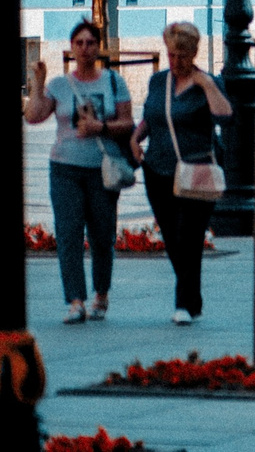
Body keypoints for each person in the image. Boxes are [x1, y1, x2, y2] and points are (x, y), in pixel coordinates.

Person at [25, 17, 134, 322]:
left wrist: (101, 127)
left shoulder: (113, 82)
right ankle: (75, 301)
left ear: (99, 47)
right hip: (64, 169)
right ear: (72, 48)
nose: (85, 48)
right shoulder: (60, 85)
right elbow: (33, 116)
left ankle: (101, 295)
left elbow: (128, 123)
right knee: (68, 234)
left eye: (91, 43)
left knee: (102, 235)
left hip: (102, 170)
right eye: (79, 43)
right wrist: (38, 83)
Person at [139, 20, 231, 326]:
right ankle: (193, 298)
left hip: (197, 170)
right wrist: (134, 139)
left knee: (189, 237)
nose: (176, 61)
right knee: (171, 238)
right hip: (158, 170)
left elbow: (225, 115)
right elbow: (151, 118)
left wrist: (206, 85)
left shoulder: (208, 82)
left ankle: (183, 303)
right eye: (171, 55)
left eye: (182, 56)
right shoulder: (158, 81)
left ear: (193, 53)